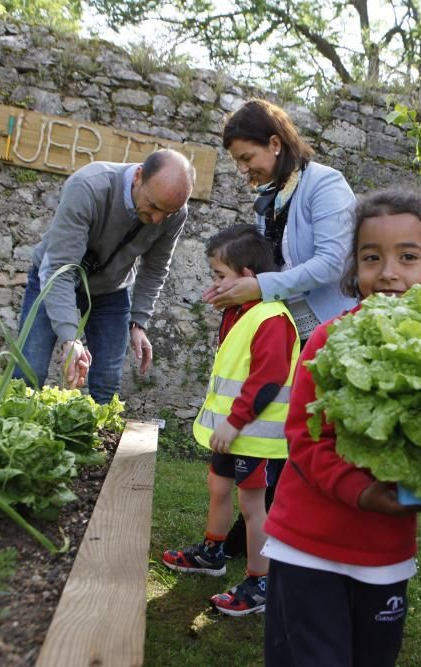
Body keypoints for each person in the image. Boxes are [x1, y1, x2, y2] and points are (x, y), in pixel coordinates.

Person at [262, 190, 421, 667]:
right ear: (355, 267)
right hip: (307, 547)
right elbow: (306, 440)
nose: (389, 272)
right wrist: (363, 492)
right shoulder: (329, 340)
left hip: (386, 553)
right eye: (372, 258)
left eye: (408, 257)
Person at [207, 99, 357, 544]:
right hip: (290, 329)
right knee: (277, 431)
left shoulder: (325, 185)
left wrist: (261, 288)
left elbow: (334, 262)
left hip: (329, 331)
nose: (244, 170)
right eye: (238, 162)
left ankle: (292, 536)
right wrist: (234, 286)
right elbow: (266, 267)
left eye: (246, 158)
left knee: (311, 439)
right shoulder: (269, 201)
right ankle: (259, 531)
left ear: (275, 143)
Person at [161, 224, 299, 616]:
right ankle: (212, 553)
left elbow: (267, 380)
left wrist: (235, 423)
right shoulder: (240, 312)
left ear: (248, 277)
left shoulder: (271, 317)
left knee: (253, 506)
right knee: (217, 487)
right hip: (232, 434)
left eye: (220, 276)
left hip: (251, 435)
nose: (215, 284)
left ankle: (260, 583)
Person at [13, 149, 195, 404]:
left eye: (167, 213)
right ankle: (16, 437)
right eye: (153, 206)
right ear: (138, 177)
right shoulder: (88, 186)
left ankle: (93, 441)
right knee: (28, 372)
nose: (157, 219)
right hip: (54, 277)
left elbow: (155, 267)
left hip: (111, 288)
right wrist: (69, 339)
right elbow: (60, 268)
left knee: (108, 382)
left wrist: (139, 321)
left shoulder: (175, 211)